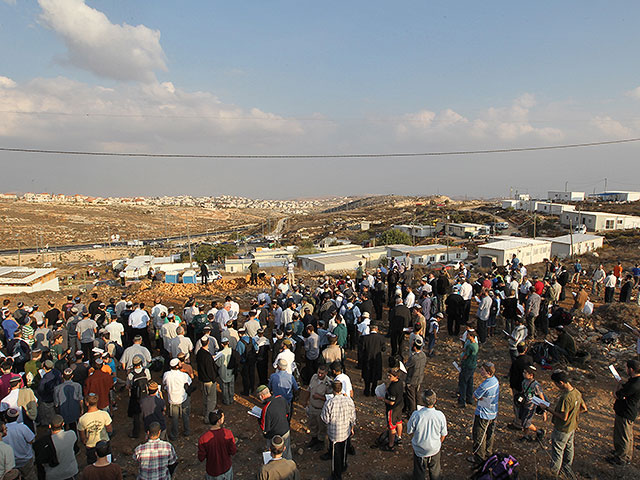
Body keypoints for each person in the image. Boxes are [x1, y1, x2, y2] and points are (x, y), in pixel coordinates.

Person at [543, 371, 588, 478]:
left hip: (562, 428)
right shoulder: (577, 393)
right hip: (572, 427)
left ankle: (553, 474)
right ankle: (567, 469)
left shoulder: (566, 398)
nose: (556, 386)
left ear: (561, 382)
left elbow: (564, 417)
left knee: (557, 453)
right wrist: (574, 413)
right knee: (569, 448)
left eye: (556, 384)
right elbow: (584, 408)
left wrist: (548, 409)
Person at [407, 389, 447, 480]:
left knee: (419, 471)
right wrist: (438, 443)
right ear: (435, 401)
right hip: (434, 448)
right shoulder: (440, 415)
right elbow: (444, 434)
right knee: (435, 471)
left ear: (423, 401)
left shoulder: (416, 415)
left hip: (420, 449)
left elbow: (409, 430)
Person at [606, 359, 640, 465]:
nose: (626, 370)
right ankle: (621, 452)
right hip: (628, 411)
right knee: (626, 435)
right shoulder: (635, 381)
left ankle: (623, 458)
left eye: (627, 368)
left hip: (626, 412)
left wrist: (617, 385)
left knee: (624, 436)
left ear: (631, 369)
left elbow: (617, 395)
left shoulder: (634, 385)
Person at [320, 380, 356, 479]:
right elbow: (353, 417)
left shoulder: (329, 403)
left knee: (335, 454)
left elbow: (325, 419)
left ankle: (337, 475)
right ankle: (343, 466)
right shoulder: (348, 400)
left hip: (334, 433)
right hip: (345, 431)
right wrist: (352, 427)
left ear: (332, 389)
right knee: (343, 450)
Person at [468, 362, 499, 466]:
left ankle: (479, 458)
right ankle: (488, 452)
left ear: (488, 372)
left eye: (482, 370)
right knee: (490, 434)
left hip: (483, 414)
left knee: (479, 436)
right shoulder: (495, 381)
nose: (480, 371)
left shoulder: (485, 385)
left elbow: (475, 396)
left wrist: (478, 397)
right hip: (493, 412)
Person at [198, 409, 237, 480]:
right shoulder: (228, 433)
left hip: (212, 471)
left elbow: (201, 457)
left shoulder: (203, 438)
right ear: (219, 421)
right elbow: (233, 451)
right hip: (226, 468)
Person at [38, 415, 78, 480]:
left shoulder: (44, 443)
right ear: (63, 424)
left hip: (54, 475)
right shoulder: (71, 434)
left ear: (50, 426)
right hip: (70, 472)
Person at [256, 385, 292, 460]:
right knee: (287, 454)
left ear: (262, 396)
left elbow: (265, 428)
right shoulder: (281, 398)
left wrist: (259, 420)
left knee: (274, 457)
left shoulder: (266, 409)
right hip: (285, 431)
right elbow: (288, 413)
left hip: (274, 437)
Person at [78, 393, 112, 464]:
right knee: (107, 463)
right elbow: (109, 429)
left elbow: (82, 437)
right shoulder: (104, 414)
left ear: (87, 403)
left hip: (91, 445)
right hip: (104, 443)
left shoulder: (82, 419)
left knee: (92, 465)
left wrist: (85, 440)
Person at [163, 358, 191, 440]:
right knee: (185, 415)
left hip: (172, 399)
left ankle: (174, 434)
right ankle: (187, 431)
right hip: (183, 397)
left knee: (174, 418)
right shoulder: (183, 375)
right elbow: (189, 382)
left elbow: (164, 383)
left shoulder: (167, 374)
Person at [517, 366, 547, 442]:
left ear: (531, 375)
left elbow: (541, 396)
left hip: (531, 406)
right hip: (524, 404)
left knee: (526, 422)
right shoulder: (524, 382)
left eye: (525, 373)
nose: (523, 374)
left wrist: (544, 411)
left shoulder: (536, 385)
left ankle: (539, 431)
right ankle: (526, 435)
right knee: (523, 421)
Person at [3, 409, 34, 480]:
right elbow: (31, 440)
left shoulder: (3, 431)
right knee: (30, 476)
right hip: (26, 459)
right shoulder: (22, 428)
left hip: (12, 462)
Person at [306, 365, 332, 450]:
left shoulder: (328, 383)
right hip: (312, 407)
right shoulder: (314, 377)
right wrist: (305, 401)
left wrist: (319, 397)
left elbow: (330, 398)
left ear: (326, 373)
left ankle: (320, 443)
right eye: (319, 372)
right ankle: (313, 439)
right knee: (312, 424)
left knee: (321, 427)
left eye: (322, 373)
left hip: (321, 409)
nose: (319, 375)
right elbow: (309, 389)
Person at [379, 367, 404, 451]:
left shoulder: (392, 388)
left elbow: (391, 402)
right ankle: (399, 437)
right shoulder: (400, 382)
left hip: (392, 409)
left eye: (390, 376)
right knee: (399, 422)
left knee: (392, 427)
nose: (388, 377)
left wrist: (383, 399)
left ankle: (390, 445)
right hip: (399, 406)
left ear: (395, 376)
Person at [359, 323, 385, 396]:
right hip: (376, 359)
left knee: (367, 374)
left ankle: (367, 390)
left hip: (367, 359)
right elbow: (383, 349)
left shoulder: (365, 338)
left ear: (370, 329)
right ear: (376, 329)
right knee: (375, 375)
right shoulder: (381, 338)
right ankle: (373, 391)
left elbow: (362, 349)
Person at [196, 336, 218, 423]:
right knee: (211, 400)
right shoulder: (207, 356)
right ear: (208, 342)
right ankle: (208, 417)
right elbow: (210, 370)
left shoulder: (199, 353)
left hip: (202, 379)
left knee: (205, 397)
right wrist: (214, 379)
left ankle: (205, 412)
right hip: (209, 380)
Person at [405, 338, 427, 416]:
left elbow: (407, 366)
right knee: (417, 397)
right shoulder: (423, 355)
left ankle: (412, 414)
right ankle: (419, 412)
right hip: (419, 379)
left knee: (411, 398)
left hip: (411, 380)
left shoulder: (413, 358)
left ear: (414, 347)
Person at [457, 330, 478, 408]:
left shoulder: (470, 346)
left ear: (472, 336)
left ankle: (462, 401)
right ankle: (469, 399)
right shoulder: (476, 345)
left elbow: (465, 356)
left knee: (463, 383)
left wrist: (461, 362)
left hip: (466, 366)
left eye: (468, 335)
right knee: (470, 383)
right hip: (472, 366)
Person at [215, 337, 235, 405]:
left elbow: (218, 364)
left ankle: (226, 400)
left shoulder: (220, 353)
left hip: (223, 371)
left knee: (224, 386)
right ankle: (231, 399)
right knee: (231, 385)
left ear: (222, 344)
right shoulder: (232, 351)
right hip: (231, 370)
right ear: (228, 343)